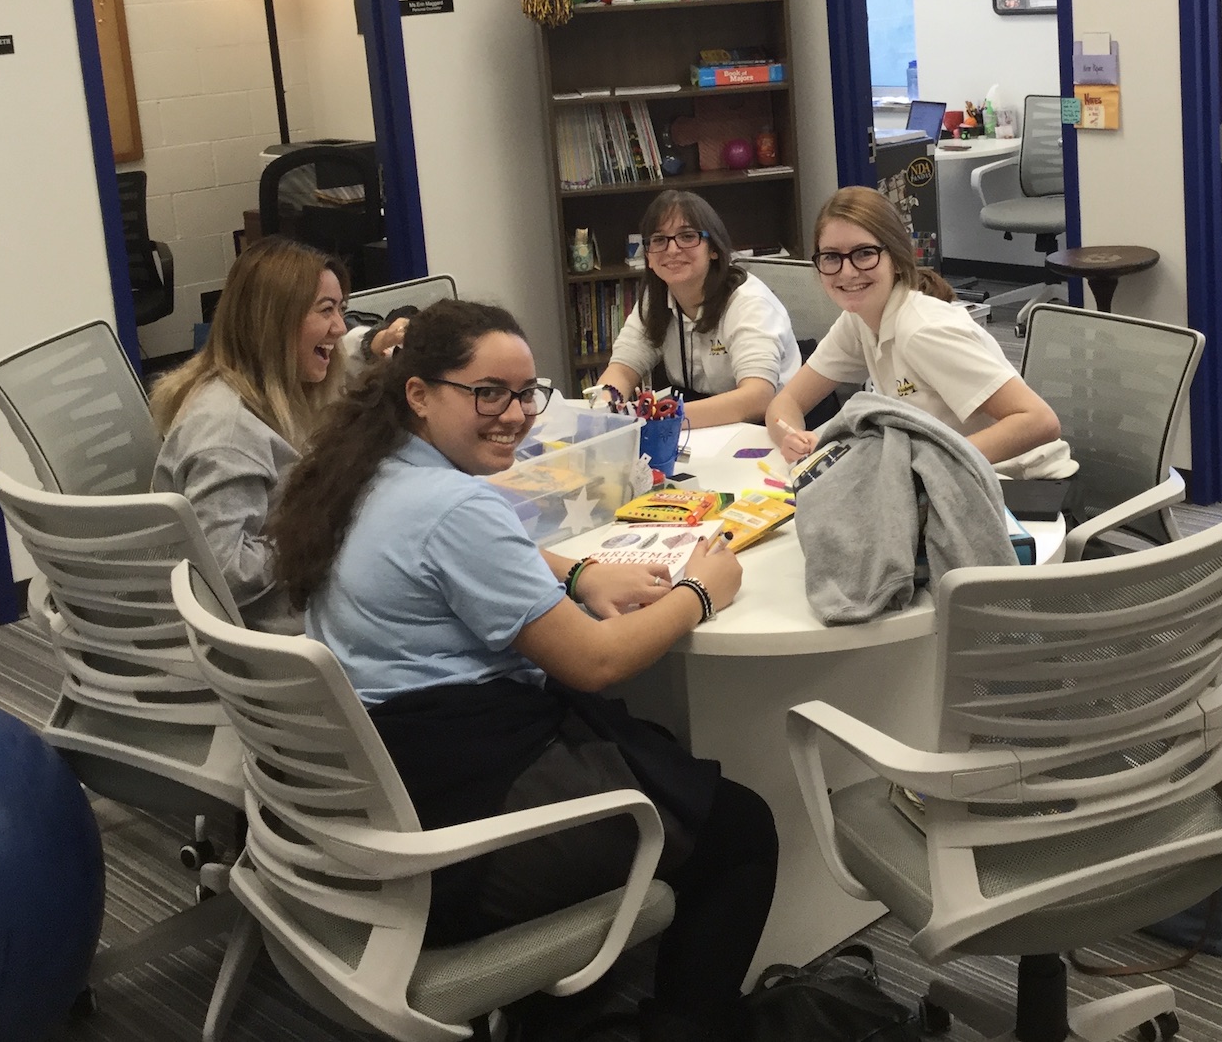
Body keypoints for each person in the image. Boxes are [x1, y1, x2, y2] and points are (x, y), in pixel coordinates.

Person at [272, 300, 775, 1042]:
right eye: (487, 394)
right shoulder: (455, 508)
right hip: (457, 840)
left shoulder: (364, 472)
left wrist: (577, 575)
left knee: (650, 751)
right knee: (740, 830)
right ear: (419, 394)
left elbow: (457, 552)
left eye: (524, 394)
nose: (514, 415)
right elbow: (596, 660)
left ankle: (554, 1008)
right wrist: (703, 593)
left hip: (379, 799)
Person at [150, 237, 404, 631]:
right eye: (326, 311)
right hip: (272, 634)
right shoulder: (227, 434)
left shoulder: (269, 388)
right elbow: (224, 573)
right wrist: (324, 525)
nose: (339, 327)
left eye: (342, 310)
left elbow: (344, 359)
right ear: (276, 321)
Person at [766, 186, 1061, 467]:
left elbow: (1038, 421)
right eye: (831, 257)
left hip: (1018, 486)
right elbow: (787, 401)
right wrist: (791, 437)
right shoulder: (859, 321)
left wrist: (932, 465)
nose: (847, 271)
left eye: (864, 253)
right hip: (948, 476)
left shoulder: (922, 330)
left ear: (895, 258)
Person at [596, 189, 801, 428]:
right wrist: (605, 408)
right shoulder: (656, 299)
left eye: (687, 236)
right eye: (659, 240)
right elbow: (622, 369)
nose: (672, 250)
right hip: (704, 422)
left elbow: (757, 398)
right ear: (649, 257)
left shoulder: (749, 302)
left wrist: (659, 417)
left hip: (776, 425)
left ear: (713, 248)